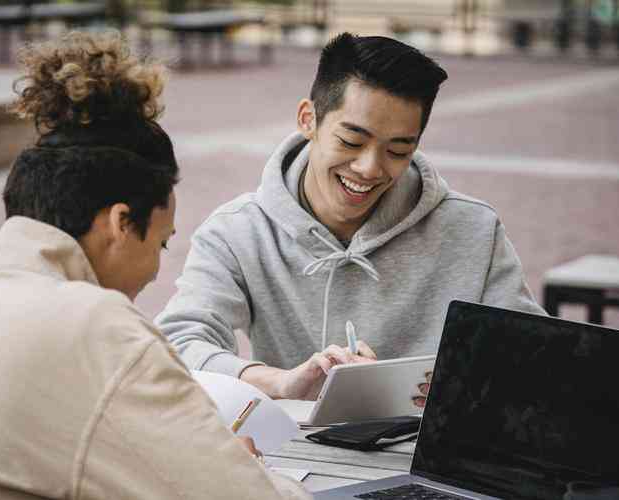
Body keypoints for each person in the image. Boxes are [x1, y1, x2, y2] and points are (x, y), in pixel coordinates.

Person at [0, 31, 309, 500]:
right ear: (121, 222)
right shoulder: (99, 329)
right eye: (162, 244)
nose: (152, 272)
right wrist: (244, 468)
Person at [156, 33, 545, 402]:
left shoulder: (473, 229)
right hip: (293, 460)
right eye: (352, 141)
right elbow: (177, 343)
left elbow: (535, 357)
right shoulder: (239, 231)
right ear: (308, 119)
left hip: (429, 459)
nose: (369, 168)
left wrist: (457, 385)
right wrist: (281, 382)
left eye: (397, 150)